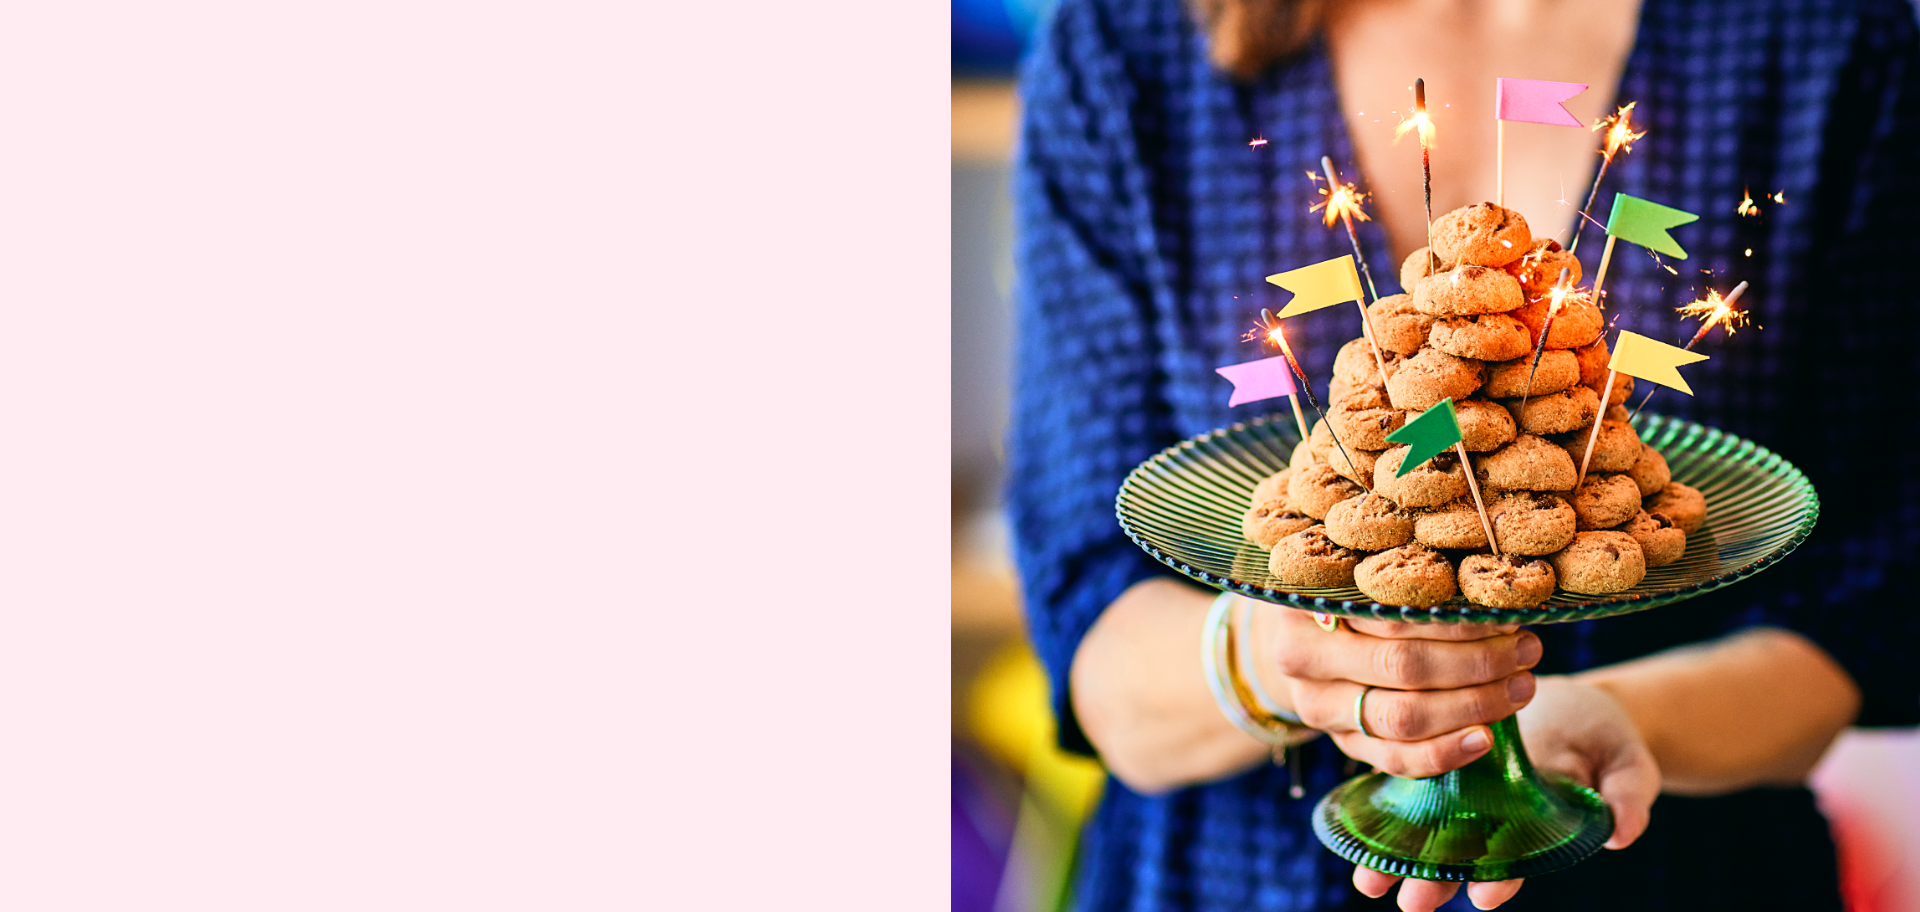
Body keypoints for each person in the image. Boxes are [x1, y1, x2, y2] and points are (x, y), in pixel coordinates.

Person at [1006, 0, 1920, 909]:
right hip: (1230, 881)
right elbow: (1089, 618)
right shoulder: (1133, 41)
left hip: (1684, 877)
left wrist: (1619, 719)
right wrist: (1272, 660)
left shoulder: (1821, 38)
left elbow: (1874, 598)